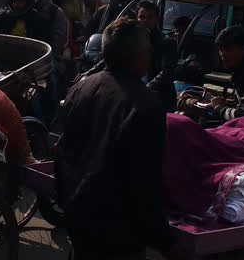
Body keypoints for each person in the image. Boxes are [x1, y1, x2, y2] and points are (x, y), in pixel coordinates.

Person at [56, 19, 174, 259]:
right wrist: (163, 239)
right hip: (117, 232)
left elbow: (62, 153)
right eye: (148, 50)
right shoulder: (145, 105)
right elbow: (144, 183)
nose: (151, 56)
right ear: (137, 55)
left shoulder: (81, 87)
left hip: (77, 214)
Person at [28, 0, 70, 125]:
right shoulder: (24, 9)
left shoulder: (56, 14)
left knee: (48, 83)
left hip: (47, 62)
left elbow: (58, 43)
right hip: (23, 60)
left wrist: (41, 54)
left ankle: (48, 120)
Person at [137, 0, 179, 113]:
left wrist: (145, 89)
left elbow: (167, 71)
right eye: (141, 17)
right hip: (138, 96)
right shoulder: (133, 41)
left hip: (160, 99)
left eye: (150, 17)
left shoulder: (166, 42)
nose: (145, 20)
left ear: (156, 19)